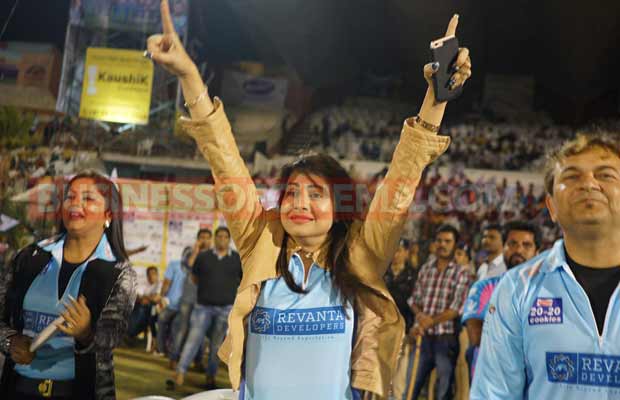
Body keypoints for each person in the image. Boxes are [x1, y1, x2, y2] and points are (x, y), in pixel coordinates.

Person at [147, 3, 471, 398]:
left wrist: (437, 97)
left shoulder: (363, 252)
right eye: (292, 193)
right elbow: (224, 158)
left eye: (316, 193)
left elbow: (402, 179)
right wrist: (189, 75)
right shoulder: (260, 242)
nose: (299, 202)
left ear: (339, 208)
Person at [471, 134, 620, 399]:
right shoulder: (517, 288)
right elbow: (493, 394)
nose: (589, 183)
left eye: (606, 175)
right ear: (551, 207)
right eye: (572, 176)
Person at [0, 170, 137, 399]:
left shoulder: (119, 273)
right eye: (70, 196)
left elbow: (111, 339)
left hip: (78, 391)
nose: (75, 204)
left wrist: (85, 334)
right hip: (17, 388)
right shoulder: (29, 257)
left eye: (88, 198)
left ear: (108, 214)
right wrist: (10, 341)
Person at [461, 221, 540, 380]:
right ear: (503, 248)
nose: (518, 250)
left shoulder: (547, 292)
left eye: (526, 245)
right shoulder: (484, 288)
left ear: (537, 252)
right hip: (491, 383)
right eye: (512, 244)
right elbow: (477, 337)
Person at [171, 227, 242, 389]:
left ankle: (211, 376)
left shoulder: (237, 259)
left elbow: (241, 281)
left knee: (217, 346)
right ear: (215, 239)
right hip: (203, 307)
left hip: (225, 309)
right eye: (219, 236)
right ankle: (180, 371)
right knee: (193, 340)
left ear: (229, 239)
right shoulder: (203, 257)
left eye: (225, 237)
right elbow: (194, 278)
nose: (222, 239)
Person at [409, 224, 474, 400]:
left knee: (443, 391)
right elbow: (414, 300)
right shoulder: (426, 269)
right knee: (410, 387)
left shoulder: (461, 273)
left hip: (446, 339)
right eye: (439, 240)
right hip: (423, 337)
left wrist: (430, 320)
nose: (442, 245)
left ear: (455, 245)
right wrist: (420, 316)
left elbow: (457, 308)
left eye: (447, 241)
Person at [168, 229, 212, 370]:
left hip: (204, 299)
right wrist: (196, 250)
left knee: (201, 331)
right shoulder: (189, 253)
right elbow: (189, 265)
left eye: (207, 237)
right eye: (202, 237)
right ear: (197, 239)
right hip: (188, 297)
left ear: (211, 240)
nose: (204, 240)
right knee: (182, 329)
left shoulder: (214, 255)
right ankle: (174, 358)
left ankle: (197, 361)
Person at [383, 239, 418, 400]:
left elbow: (416, 303)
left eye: (399, 250)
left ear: (405, 252)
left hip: (404, 329)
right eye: (393, 251)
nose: (395, 255)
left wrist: (412, 327)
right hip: (381, 329)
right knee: (381, 374)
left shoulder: (413, 275)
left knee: (400, 378)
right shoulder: (381, 273)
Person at [156, 246, 193, 358]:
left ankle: (172, 352)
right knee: (162, 321)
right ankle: (162, 349)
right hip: (170, 303)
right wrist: (161, 298)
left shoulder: (196, 268)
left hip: (186, 306)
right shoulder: (174, 264)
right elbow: (166, 283)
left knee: (175, 328)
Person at [127, 266, 160, 340]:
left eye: (154, 273)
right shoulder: (143, 284)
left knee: (146, 310)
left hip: (154, 310)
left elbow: (156, 298)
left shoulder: (159, 284)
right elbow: (138, 297)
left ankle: (132, 333)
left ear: (157, 274)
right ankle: (130, 332)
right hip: (140, 306)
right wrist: (149, 297)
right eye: (150, 274)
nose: (152, 276)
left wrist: (146, 297)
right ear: (147, 275)